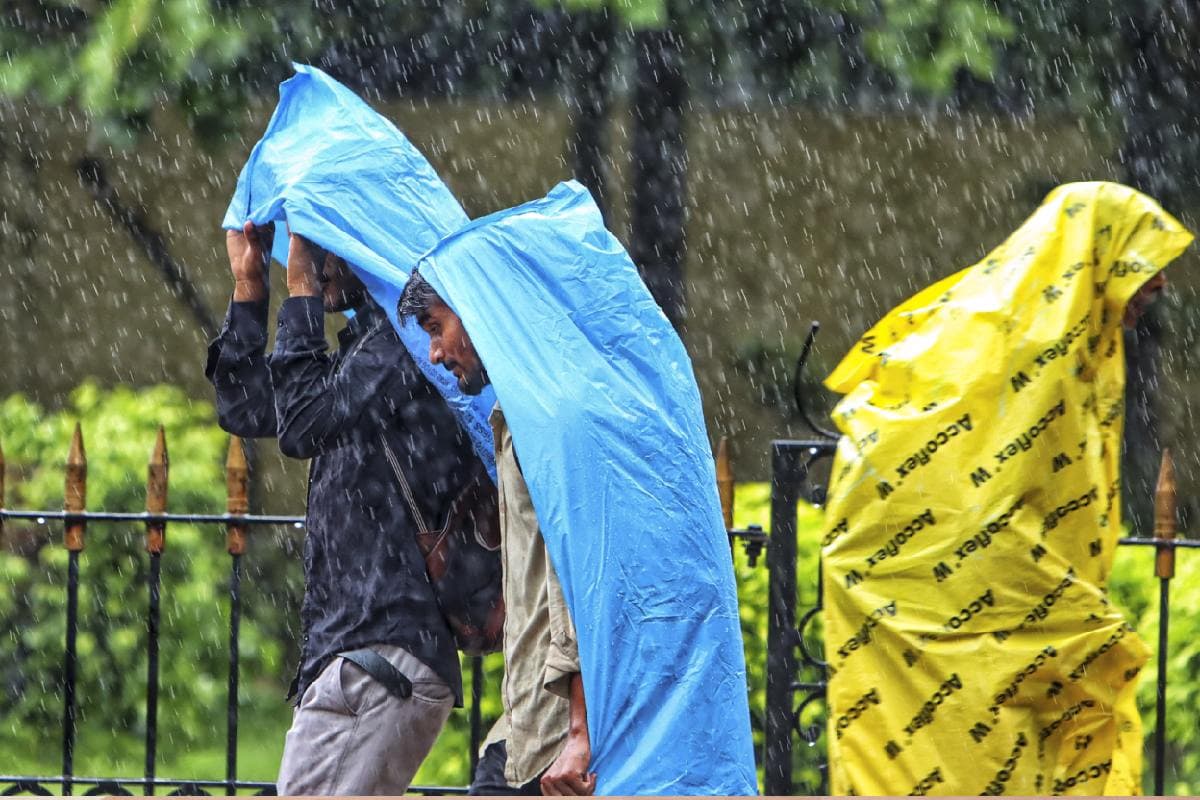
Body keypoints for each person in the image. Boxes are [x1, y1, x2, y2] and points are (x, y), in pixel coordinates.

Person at [818, 182, 1192, 796]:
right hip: (928, 578)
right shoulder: (1036, 337)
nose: (1159, 285)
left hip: (926, 575)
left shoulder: (1032, 316)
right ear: (1094, 251)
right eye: (1146, 264)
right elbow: (988, 476)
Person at [206, 222, 479, 795]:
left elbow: (304, 424)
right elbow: (250, 407)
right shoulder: (361, 352)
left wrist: (301, 286)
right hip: (356, 659)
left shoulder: (404, 349)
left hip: (382, 656)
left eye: (322, 238)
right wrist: (249, 284)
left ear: (361, 243)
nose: (305, 255)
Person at [398, 271, 593, 797]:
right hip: (530, 725)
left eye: (436, 327)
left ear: (481, 309)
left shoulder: (543, 420)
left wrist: (580, 730)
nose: (434, 354)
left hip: (560, 739)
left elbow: (573, 574)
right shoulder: (519, 414)